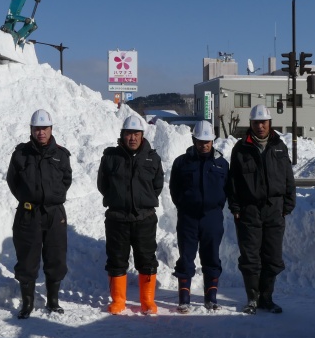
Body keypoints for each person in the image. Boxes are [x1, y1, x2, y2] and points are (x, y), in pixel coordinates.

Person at [228, 104, 295, 315]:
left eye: (263, 122)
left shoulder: (279, 146)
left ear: (269, 123)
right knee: (250, 257)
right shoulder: (241, 148)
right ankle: (252, 299)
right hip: (249, 210)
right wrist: (236, 206)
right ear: (251, 124)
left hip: (274, 209)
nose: (260, 126)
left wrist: (288, 203)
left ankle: (267, 298)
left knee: (273, 257)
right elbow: (233, 182)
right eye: (256, 122)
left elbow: (288, 177)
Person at [7, 109, 72, 319]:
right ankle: (27, 303)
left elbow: (66, 180)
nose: (41, 132)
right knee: (27, 258)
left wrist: (54, 196)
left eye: (44, 128)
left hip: (54, 214)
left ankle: (53, 301)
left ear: (51, 129)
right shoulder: (20, 154)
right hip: (29, 214)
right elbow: (13, 181)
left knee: (56, 256)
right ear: (31, 130)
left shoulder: (61, 155)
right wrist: (28, 198)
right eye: (37, 129)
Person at [97, 115, 164, 315]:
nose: (132, 138)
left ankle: (147, 301)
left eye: (136, 134)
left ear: (142, 135)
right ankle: (118, 301)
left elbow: (157, 185)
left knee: (147, 259)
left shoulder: (152, 158)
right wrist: (117, 199)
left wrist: (144, 201)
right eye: (128, 134)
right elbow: (103, 185)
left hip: (144, 218)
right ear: (122, 135)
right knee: (116, 259)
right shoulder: (110, 157)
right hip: (117, 218)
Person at [170, 120, 229, 313]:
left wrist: (216, 206)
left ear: (212, 141)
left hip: (212, 218)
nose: (204, 145)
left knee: (211, 256)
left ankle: (210, 298)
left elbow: (228, 189)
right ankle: (184, 299)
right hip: (188, 217)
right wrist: (184, 205)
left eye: (208, 141)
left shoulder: (221, 164)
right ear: (193, 140)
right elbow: (174, 188)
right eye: (200, 141)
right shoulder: (181, 162)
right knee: (186, 257)